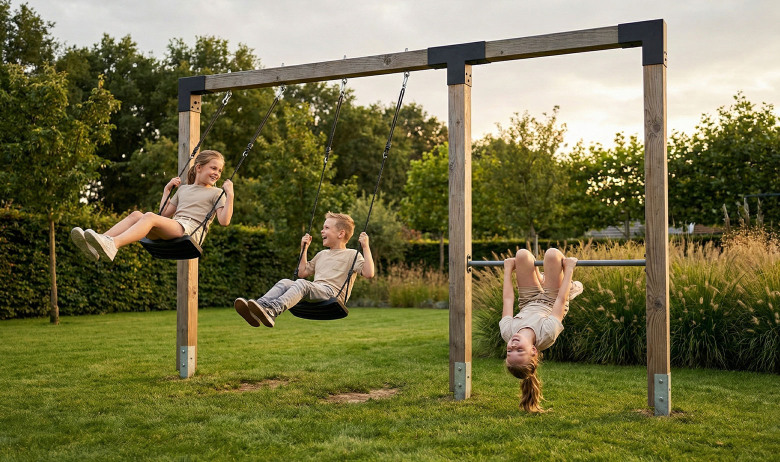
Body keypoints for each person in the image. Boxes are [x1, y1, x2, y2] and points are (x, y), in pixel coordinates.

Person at [70, 150, 234, 262]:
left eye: (219, 170)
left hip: (188, 231)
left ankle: (114, 244)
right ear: (199, 167)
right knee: (136, 215)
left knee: (148, 216)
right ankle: (96, 244)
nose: (217, 173)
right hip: (173, 228)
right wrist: (166, 191)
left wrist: (230, 195)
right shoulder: (183, 189)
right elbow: (163, 215)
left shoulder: (216, 193)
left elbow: (224, 221)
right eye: (213, 168)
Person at [235, 212, 375, 328]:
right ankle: (259, 307)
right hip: (316, 290)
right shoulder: (321, 254)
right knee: (285, 282)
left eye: (326, 228)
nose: (322, 230)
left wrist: (365, 247)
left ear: (340, 233)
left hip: (332, 295)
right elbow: (302, 272)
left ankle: (273, 310)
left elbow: (369, 273)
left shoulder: (352, 254)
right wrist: (304, 249)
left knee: (302, 283)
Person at [501, 248, 582, 413]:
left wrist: (508, 269)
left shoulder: (507, 331)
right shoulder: (547, 334)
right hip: (553, 300)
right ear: (533, 350)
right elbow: (561, 298)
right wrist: (569, 270)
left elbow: (508, 299)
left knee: (522, 255)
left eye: (510, 350)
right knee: (552, 255)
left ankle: (543, 278)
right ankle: (570, 286)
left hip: (528, 300)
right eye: (520, 350)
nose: (513, 344)